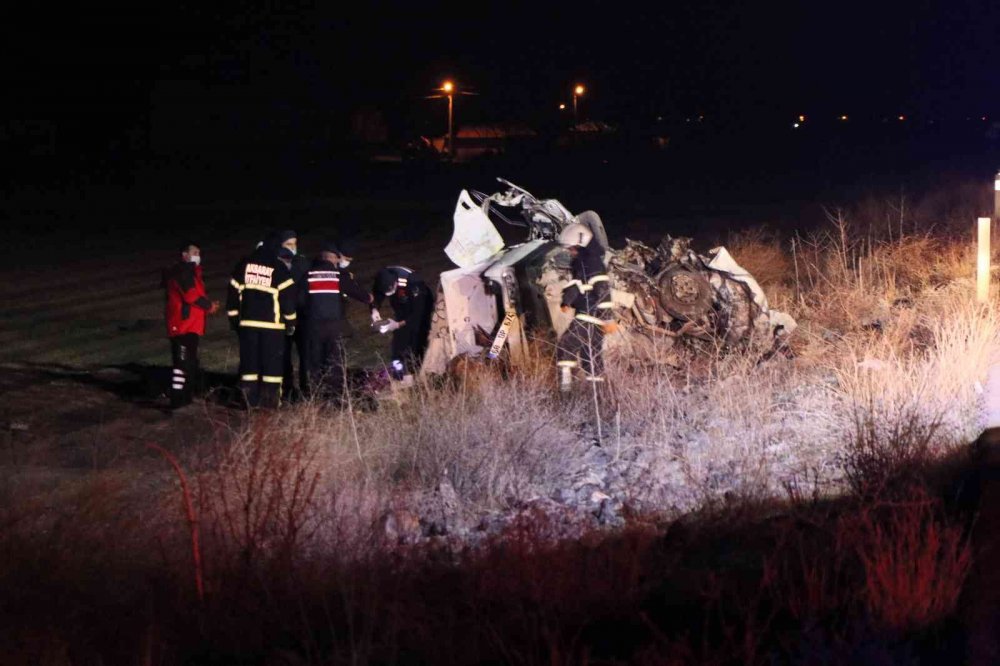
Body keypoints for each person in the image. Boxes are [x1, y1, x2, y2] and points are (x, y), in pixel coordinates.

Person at [226, 239, 297, 408]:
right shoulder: (277, 268)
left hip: (248, 326)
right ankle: (270, 405)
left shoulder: (243, 266)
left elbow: (232, 296)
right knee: (272, 368)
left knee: (249, 365)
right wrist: (290, 322)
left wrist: (235, 321)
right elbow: (288, 299)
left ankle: (249, 402)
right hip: (273, 328)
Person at [302, 239, 374, 402]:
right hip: (334, 326)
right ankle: (335, 396)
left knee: (315, 361)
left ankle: (314, 396)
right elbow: (358, 293)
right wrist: (369, 298)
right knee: (335, 362)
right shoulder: (338, 276)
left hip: (314, 326)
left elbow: (299, 299)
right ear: (333, 258)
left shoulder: (309, 274)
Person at [555, 223, 614, 393]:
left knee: (566, 347)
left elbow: (602, 289)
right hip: (594, 319)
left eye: (572, 248)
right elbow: (580, 287)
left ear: (581, 245)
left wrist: (608, 317)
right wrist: (567, 302)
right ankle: (598, 397)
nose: (570, 252)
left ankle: (565, 394)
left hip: (587, 317)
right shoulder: (585, 263)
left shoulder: (591, 263)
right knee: (591, 357)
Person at [162, 241, 220, 408]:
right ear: (184, 255)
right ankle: (177, 400)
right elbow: (190, 296)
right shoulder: (183, 272)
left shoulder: (192, 273)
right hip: (182, 327)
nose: (197, 256)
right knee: (182, 365)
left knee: (190, 364)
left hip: (191, 326)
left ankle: (185, 398)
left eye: (199, 253)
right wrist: (209, 306)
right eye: (194, 252)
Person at [372, 265, 433, 382]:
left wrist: (398, 324)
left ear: (395, 282)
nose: (388, 293)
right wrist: (375, 309)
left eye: (390, 289)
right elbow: (376, 295)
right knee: (399, 341)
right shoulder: (382, 278)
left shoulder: (414, 282)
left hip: (420, 304)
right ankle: (399, 375)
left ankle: (417, 372)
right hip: (401, 303)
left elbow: (417, 314)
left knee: (417, 335)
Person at [271, 229, 310, 401]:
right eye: (288, 244)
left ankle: (306, 390)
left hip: (301, 316)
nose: (292, 247)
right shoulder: (274, 264)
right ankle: (286, 391)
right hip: (281, 316)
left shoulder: (302, 262)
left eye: (294, 243)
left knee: (305, 355)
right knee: (283, 355)